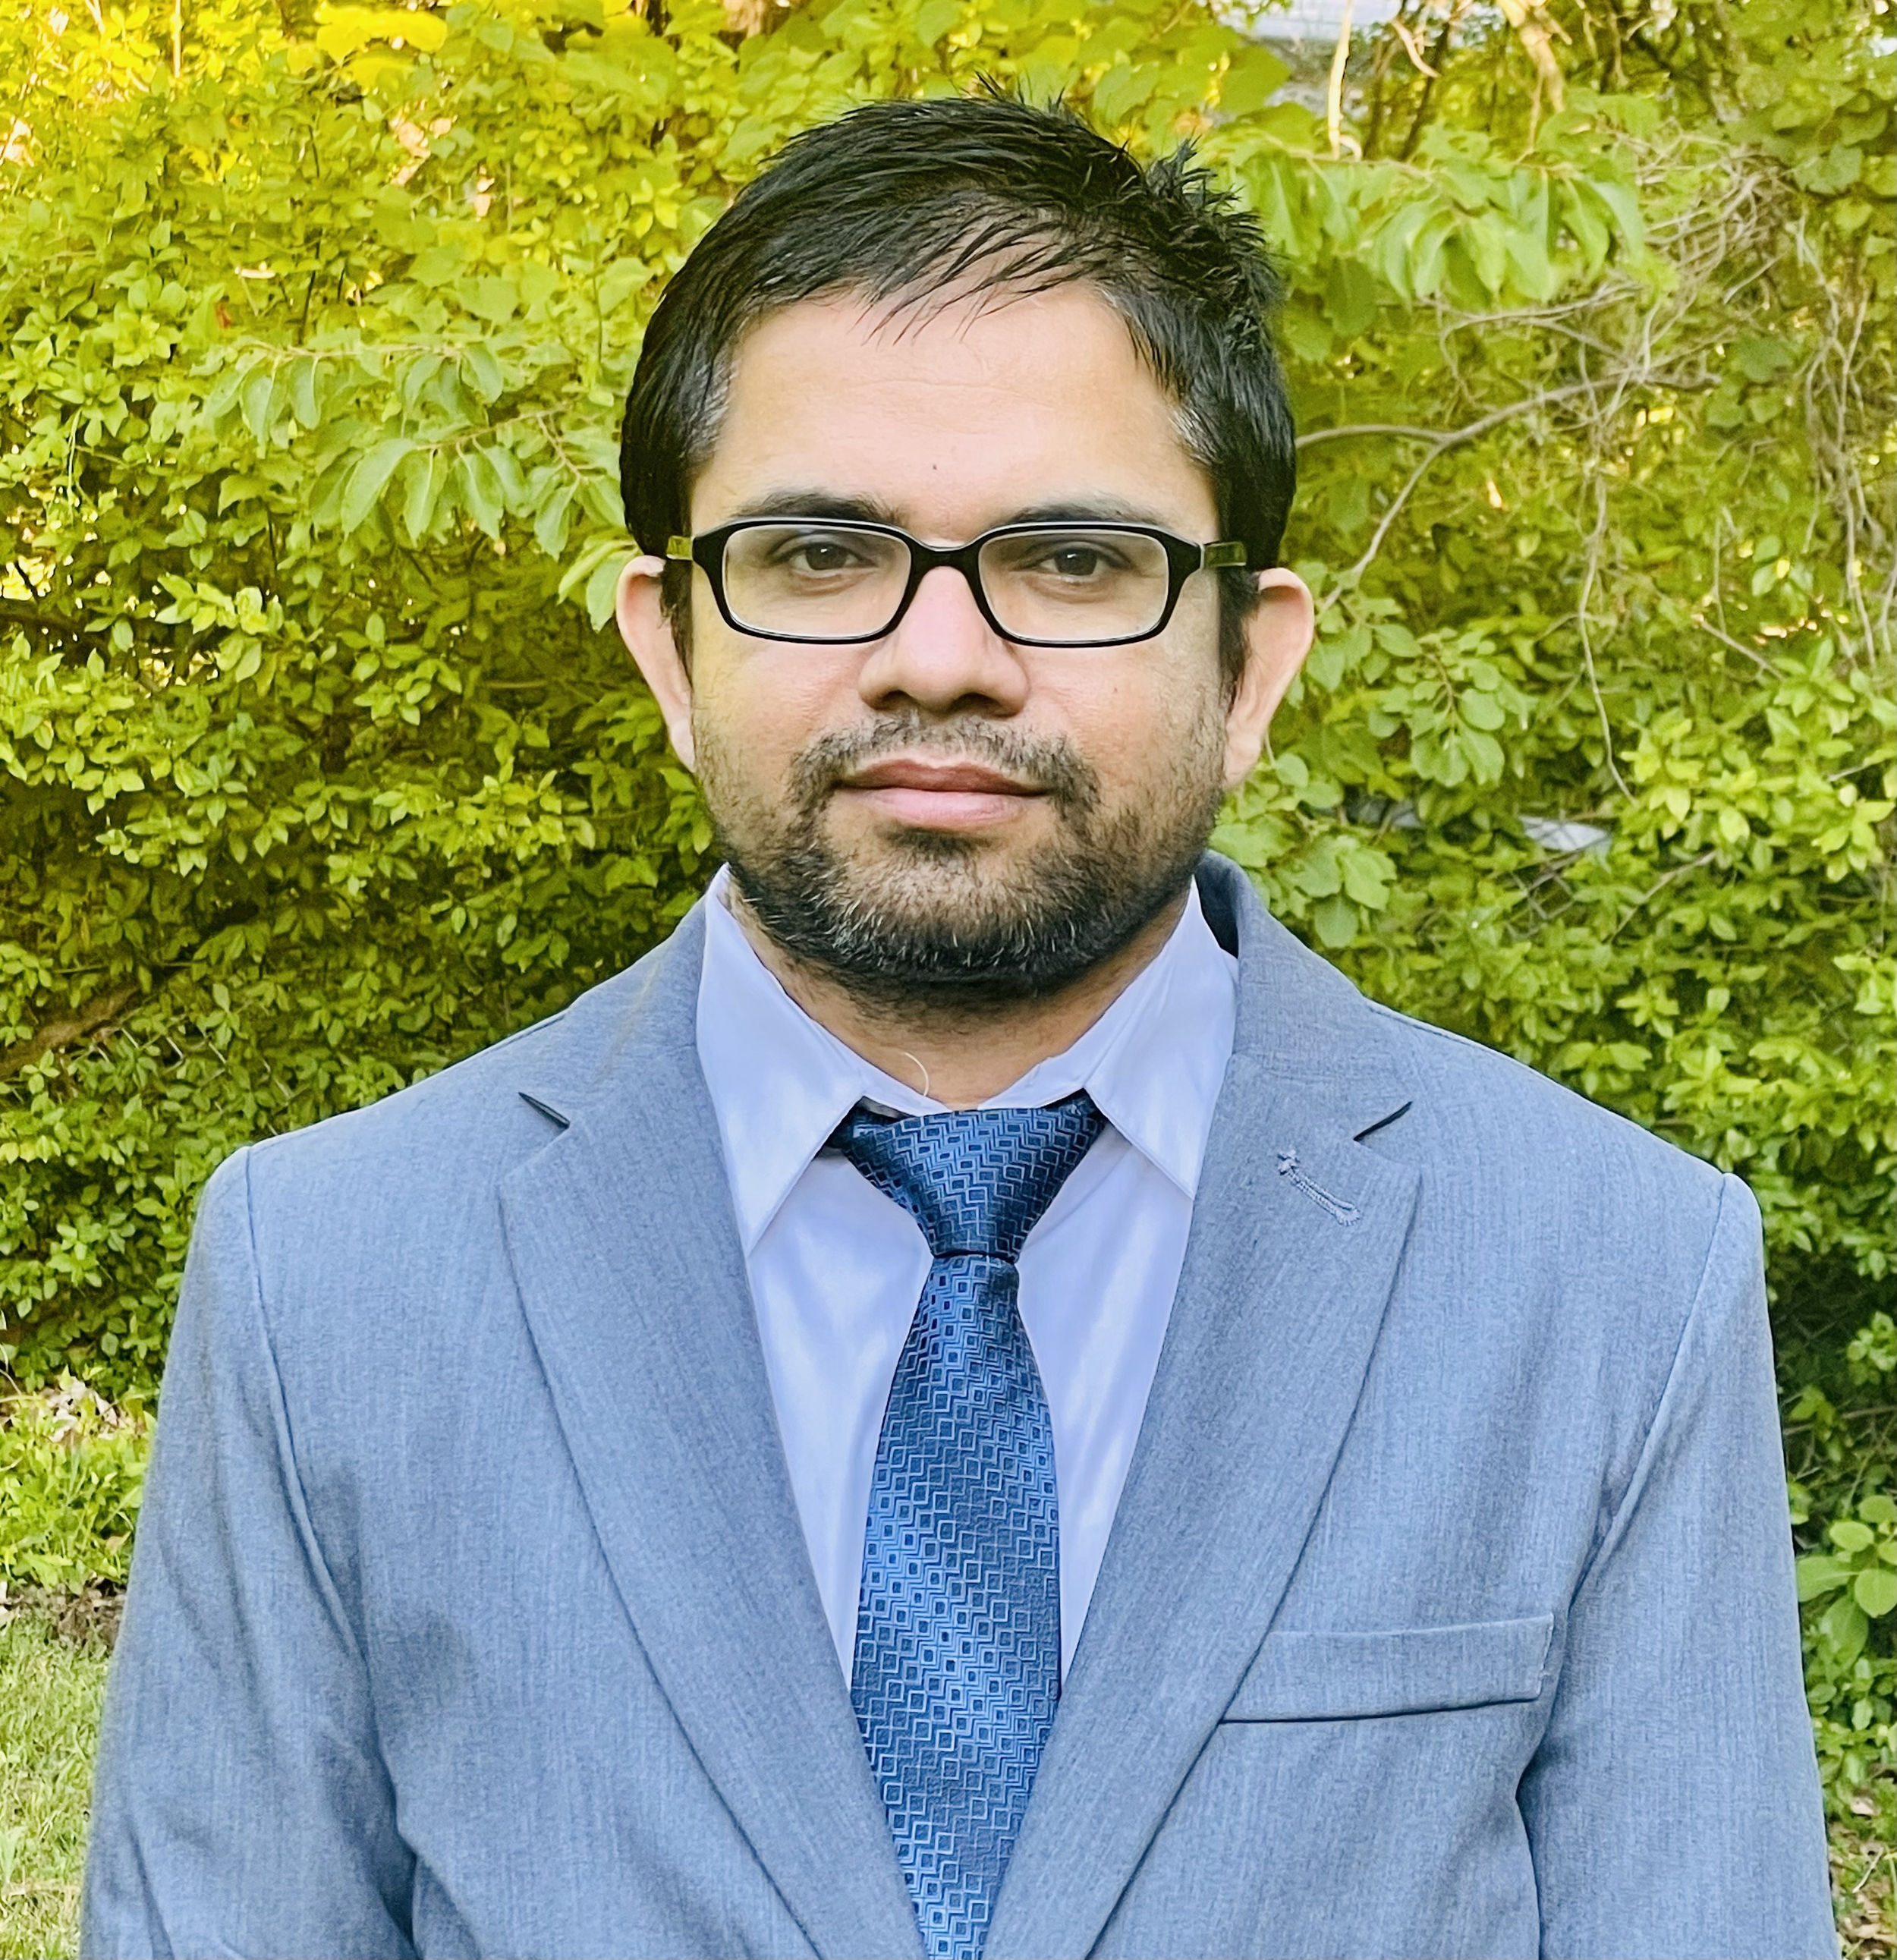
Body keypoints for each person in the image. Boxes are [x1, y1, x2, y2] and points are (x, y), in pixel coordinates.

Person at [83, 93, 1833, 1960]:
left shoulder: (1610, 1275)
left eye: (1072, 559)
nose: (938, 657)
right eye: (817, 552)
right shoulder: (326, 1278)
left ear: (1249, 665)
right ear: (670, 645)